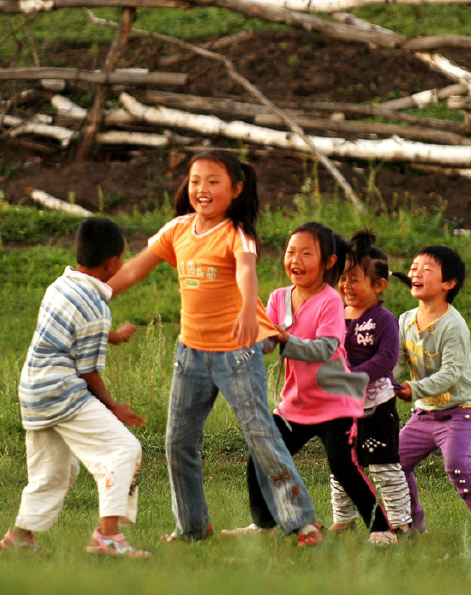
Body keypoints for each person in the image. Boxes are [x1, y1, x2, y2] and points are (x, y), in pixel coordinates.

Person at [106, 150, 323, 547]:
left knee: (260, 434)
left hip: (237, 352)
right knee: (178, 440)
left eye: (213, 181)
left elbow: (246, 270)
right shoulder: (177, 230)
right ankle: (192, 526)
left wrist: (246, 310)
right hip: (191, 353)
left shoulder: (235, 234)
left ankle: (301, 522)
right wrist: (94, 293)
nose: (201, 189)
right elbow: (135, 268)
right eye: (195, 181)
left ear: (236, 189)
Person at [222, 222, 393, 545]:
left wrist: (285, 339)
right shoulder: (277, 298)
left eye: (306, 253)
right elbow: (268, 343)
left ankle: (381, 528)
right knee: (262, 454)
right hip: (295, 403)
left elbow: (325, 348)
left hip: (335, 400)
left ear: (328, 262)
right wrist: (247, 342)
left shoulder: (330, 301)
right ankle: (264, 524)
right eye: (290, 252)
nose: (295, 260)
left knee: (343, 465)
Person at [0, 216, 149, 558]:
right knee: (123, 449)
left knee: (54, 471)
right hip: (62, 392)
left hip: (35, 393)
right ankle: (108, 537)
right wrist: (114, 407)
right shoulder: (96, 306)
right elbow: (89, 373)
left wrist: (111, 336)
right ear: (113, 262)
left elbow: (71, 329)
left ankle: (18, 538)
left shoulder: (61, 285)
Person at [396, 245, 471, 540]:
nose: (415, 272)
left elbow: (451, 374)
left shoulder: (453, 325)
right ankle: (409, 524)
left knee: (457, 465)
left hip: (463, 411)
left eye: (426, 269)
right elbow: (396, 365)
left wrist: (412, 388)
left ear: (449, 283)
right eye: (413, 267)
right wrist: (374, 383)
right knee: (394, 463)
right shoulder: (405, 320)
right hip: (424, 414)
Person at [329, 230, 413, 540]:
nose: (346, 286)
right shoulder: (335, 313)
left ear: (379, 286)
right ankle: (343, 519)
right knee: (341, 465)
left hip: (376, 405)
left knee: (383, 466)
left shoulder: (383, 319)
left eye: (355, 279)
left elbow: (387, 359)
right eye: (344, 278)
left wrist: (352, 377)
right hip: (340, 404)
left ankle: (402, 522)